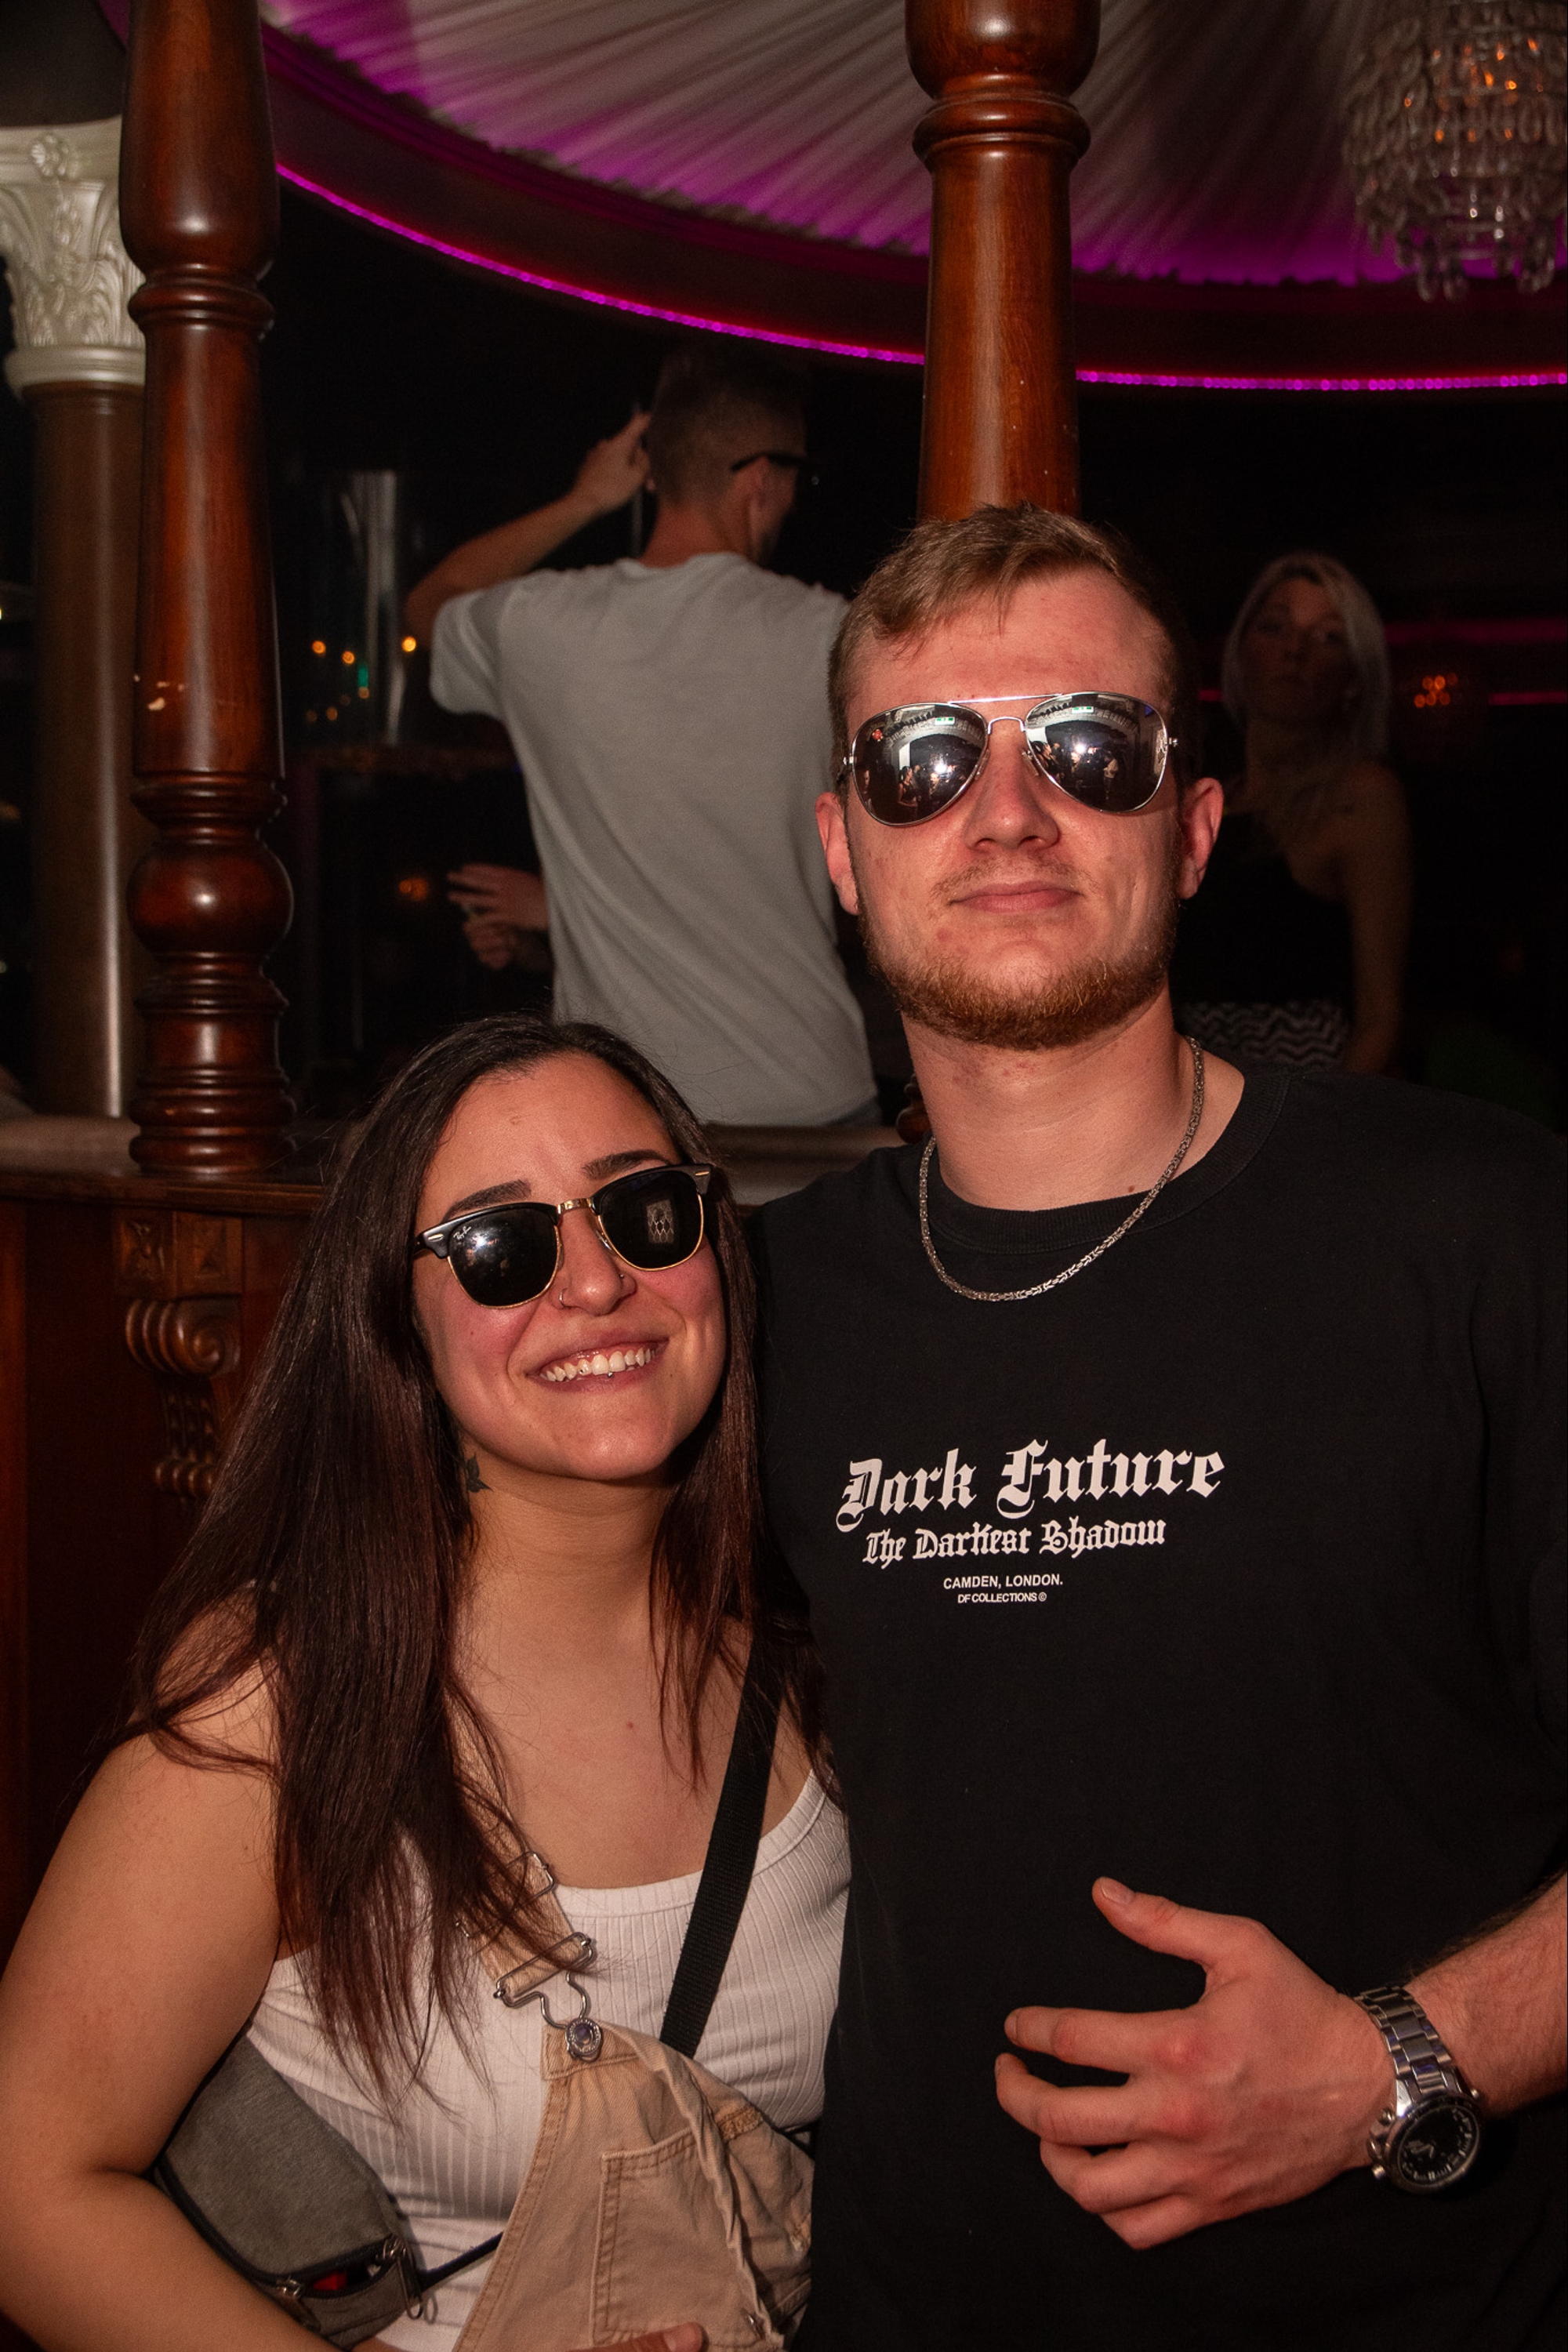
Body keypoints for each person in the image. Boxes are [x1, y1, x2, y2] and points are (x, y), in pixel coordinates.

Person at [750, 504, 1565, 2350]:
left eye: (1088, 749)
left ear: (1190, 830)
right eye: (923, 758)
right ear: (843, 849)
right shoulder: (758, 1308)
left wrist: (1390, 2062)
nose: (1007, 812)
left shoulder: (1481, 1232)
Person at [0, 1014, 847, 2352]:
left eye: (642, 1209)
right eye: (503, 1247)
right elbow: (26, 2186)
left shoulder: (827, 1657)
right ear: (397, 1323)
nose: (596, 1281)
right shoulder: (287, 1703)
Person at [405, 345, 877, 1127]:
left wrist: (584, 500)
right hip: (808, 1093)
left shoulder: (541, 629)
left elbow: (431, 603)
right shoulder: (831, 637)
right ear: (760, 479)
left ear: (652, 473)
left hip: (630, 1116)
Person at [1171, 550, 1412, 1073]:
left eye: (1327, 637)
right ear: (1240, 651)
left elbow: (1380, 1014)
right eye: (1275, 627)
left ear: (1355, 674)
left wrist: (1328, 1116)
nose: (1294, 650)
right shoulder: (1207, 797)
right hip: (1184, 1076)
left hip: (1299, 1078)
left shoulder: (1361, 796)